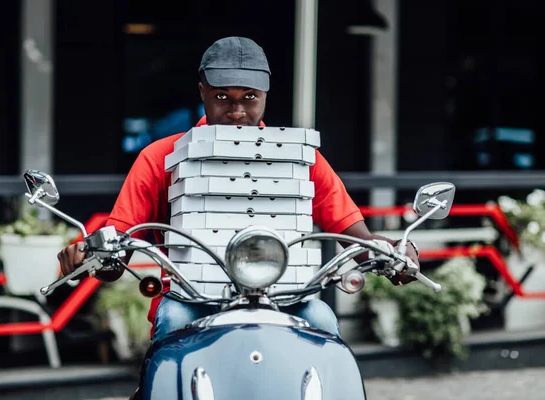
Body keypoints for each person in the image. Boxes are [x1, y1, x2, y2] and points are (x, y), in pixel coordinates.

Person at [57, 36, 420, 343]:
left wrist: (393, 252)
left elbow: (354, 235)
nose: (235, 110)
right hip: (191, 298)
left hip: (285, 298)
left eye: (249, 97)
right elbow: (117, 242)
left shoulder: (299, 157)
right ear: (202, 91)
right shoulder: (160, 157)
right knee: (171, 324)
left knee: (323, 321)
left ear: (265, 94)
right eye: (222, 96)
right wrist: (93, 254)